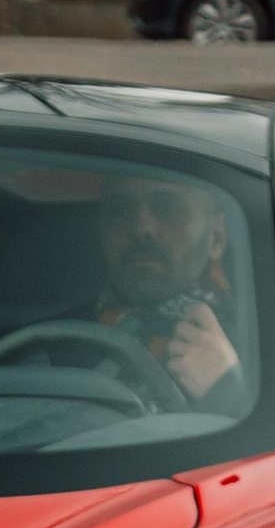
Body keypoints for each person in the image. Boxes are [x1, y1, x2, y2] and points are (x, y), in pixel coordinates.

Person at [94, 170, 248, 408]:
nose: (142, 227)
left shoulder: (262, 344)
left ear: (216, 237)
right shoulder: (46, 343)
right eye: (120, 210)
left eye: (167, 208)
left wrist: (226, 390)